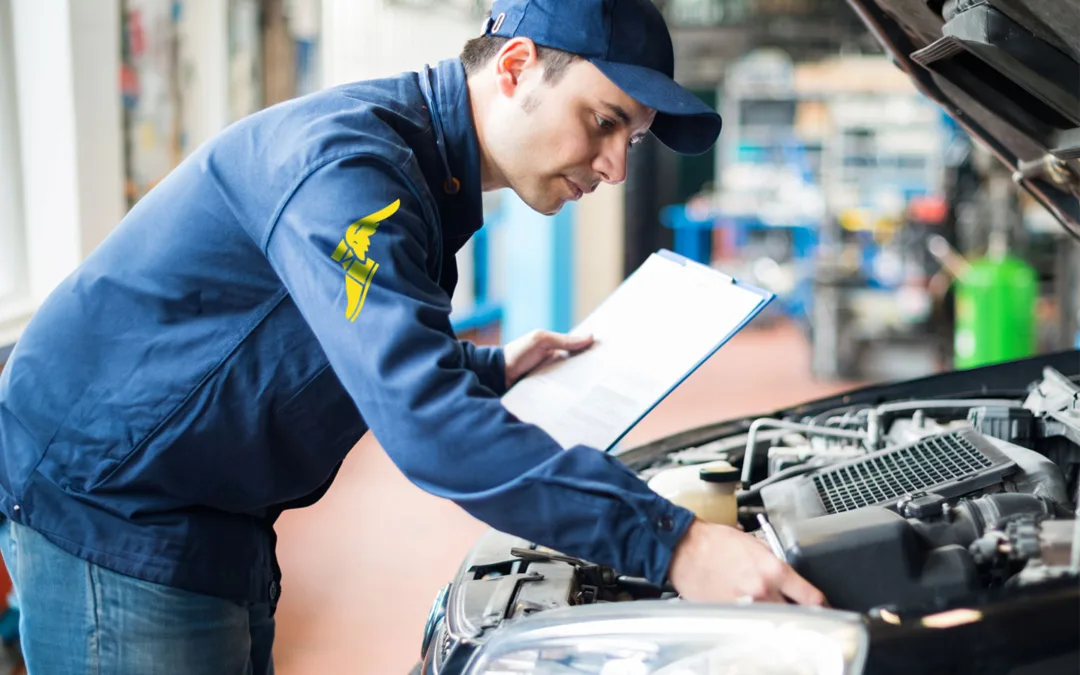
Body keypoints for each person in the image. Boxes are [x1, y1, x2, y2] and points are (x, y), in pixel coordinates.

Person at [0, 0, 825, 671]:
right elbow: (427, 425)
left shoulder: (425, 174)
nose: (615, 167)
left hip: (210, 499)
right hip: (114, 498)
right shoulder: (351, 169)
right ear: (514, 67)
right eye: (603, 121)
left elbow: (322, 330)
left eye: (631, 140)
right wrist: (675, 543)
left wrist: (485, 366)